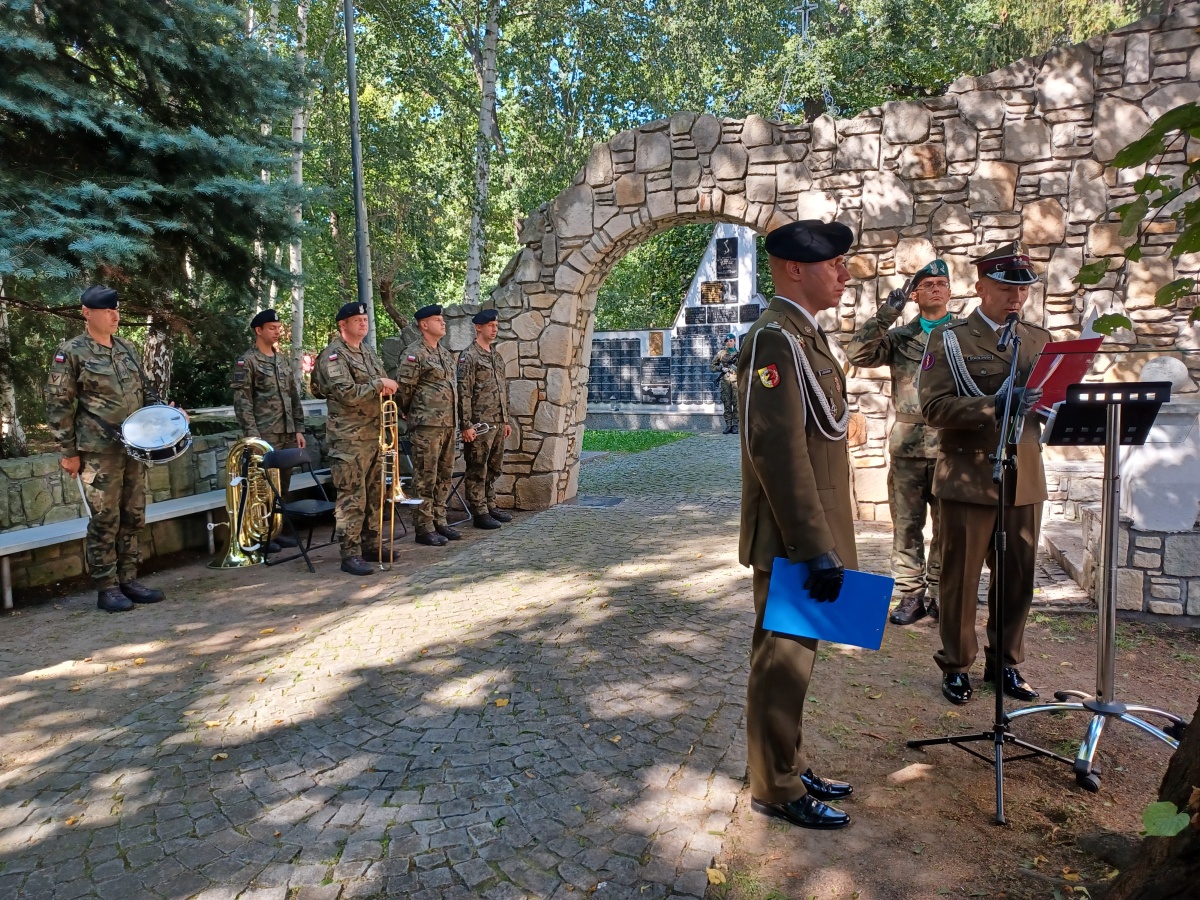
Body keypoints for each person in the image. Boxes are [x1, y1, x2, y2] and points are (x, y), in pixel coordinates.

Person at [739, 219, 858, 831]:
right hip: (793, 534)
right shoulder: (775, 340)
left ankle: (789, 761)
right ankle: (775, 785)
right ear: (794, 268)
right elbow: (777, 450)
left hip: (813, 527)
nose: (845, 273)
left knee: (798, 659)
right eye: (833, 263)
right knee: (781, 663)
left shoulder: (804, 335)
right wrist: (813, 544)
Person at [918, 242, 1050, 706]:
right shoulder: (950, 339)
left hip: (1023, 474)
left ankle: (1005, 663)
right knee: (961, 577)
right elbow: (934, 408)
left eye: (1023, 290)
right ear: (980, 288)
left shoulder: (1038, 340)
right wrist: (994, 403)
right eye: (1006, 288)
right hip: (968, 476)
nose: (1016, 298)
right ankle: (957, 665)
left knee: (1018, 576)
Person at [45, 285, 169, 613]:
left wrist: (166, 415)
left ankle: (128, 580)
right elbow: (58, 404)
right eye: (107, 311)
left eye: (116, 310)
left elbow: (146, 391)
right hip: (97, 451)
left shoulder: (126, 347)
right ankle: (107, 587)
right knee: (105, 518)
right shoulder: (71, 352)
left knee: (133, 515)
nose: (115, 316)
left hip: (134, 447)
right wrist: (68, 451)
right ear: (87, 313)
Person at [847, 260, 956, 626]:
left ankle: (940, 592)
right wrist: (887, 312)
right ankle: (911, 594)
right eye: (928, 284)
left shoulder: (964, 334)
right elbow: (858, 354)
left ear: (950, 291)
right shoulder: (900, 337)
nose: (936, 289)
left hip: (950, 447)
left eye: (942, 283)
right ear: (915, 294)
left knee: (948, 527)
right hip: (908, 447)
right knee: (906, 525)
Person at [309, 302, 399, 576]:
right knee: (351, 497)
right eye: (357, 319)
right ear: (343, 325)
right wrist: (379, 385)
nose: (363, 322)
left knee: (374, 494)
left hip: (374, 435)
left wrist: (382, 387)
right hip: (349, 439)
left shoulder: (367, 352)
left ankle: (371, 545)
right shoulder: (334, 355)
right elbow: (347, 394)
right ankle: (350, 553)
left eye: (364, 318)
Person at [230, 308, 307, 548]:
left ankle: (276, 528)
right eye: (272, 328)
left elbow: (293, 396)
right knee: (262, 485)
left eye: (278, 328)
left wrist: (298, 428)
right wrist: (253, 437)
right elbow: (243, 402)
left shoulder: (281, 360)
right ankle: (261, 534)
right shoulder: (247, 361)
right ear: (258, 330)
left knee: (282, 484)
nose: (277, 332)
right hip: (264, 434)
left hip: (286, 431)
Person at [394, 305, 459, 546]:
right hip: (426, 425)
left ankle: (439, 520)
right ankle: (424, 527)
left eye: (443, 319)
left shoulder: (445, 354)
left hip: (448, 424)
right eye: (437, 320)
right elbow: (404, 390)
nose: (443, 323)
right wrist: (410, 412)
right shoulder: (414, 354)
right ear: (424, 325)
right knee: (425, 477)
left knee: (444, 475)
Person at [458, 309, 513, 530]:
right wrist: (466, 424)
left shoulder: (496, 356)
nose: (494, 328)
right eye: (490, 325)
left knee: (494, 467)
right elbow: (464, 392)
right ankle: (479, 511)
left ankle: (490, 505)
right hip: (480, 424)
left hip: (497, 421)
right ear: (478, 327)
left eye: (496, 325)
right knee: (477, 467)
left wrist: (505, 420)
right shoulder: (469, 356)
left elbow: (503, 390)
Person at [710, 334, 739, 434]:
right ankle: (728, 425)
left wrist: (736, 368)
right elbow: (713, 366)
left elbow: (745, 367)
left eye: (731, 341)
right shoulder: (721, 354)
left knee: (737, 404)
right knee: (727, 404)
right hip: (725, 382)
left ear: (734, 341)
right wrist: (721, 368)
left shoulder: (739, 354)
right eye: (727, 341)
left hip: (736, 381)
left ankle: (735, 425)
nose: (729, 343)